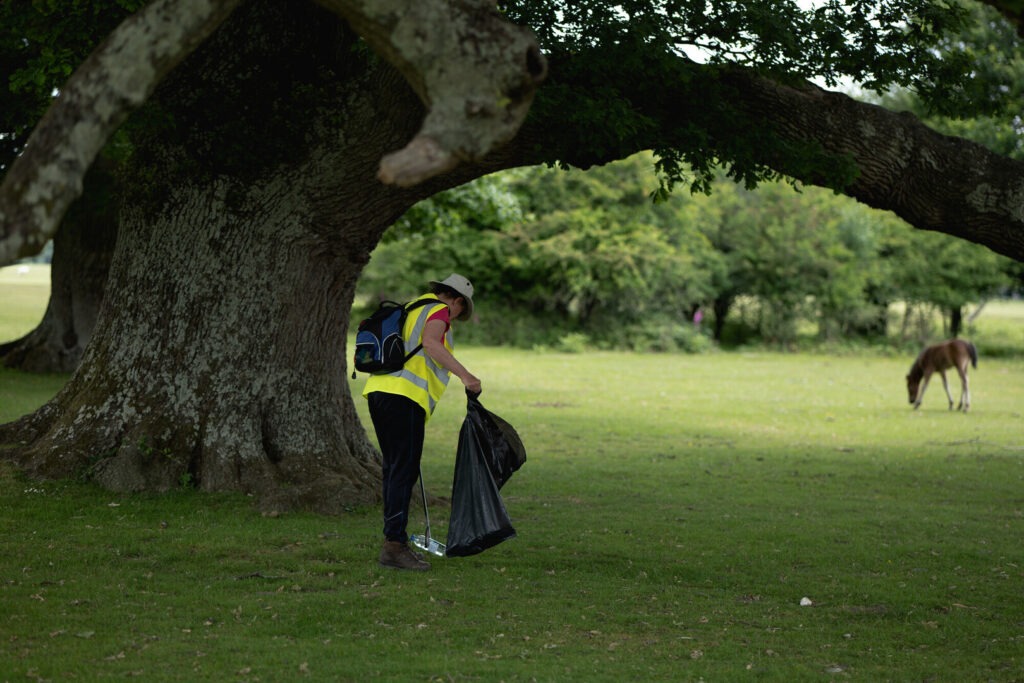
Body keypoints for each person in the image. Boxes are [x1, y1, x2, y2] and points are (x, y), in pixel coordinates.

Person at [363, 273, 482, 571]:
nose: (454, 317)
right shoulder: (438, 310)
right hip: (405, 397)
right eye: (459, 310)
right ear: (455, 300)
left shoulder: (412, 306)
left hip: (379, 393)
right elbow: (431, 344)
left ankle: (394, 541)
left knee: (394, 469)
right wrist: (466, 376)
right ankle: (394, 545)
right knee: (402, 471)